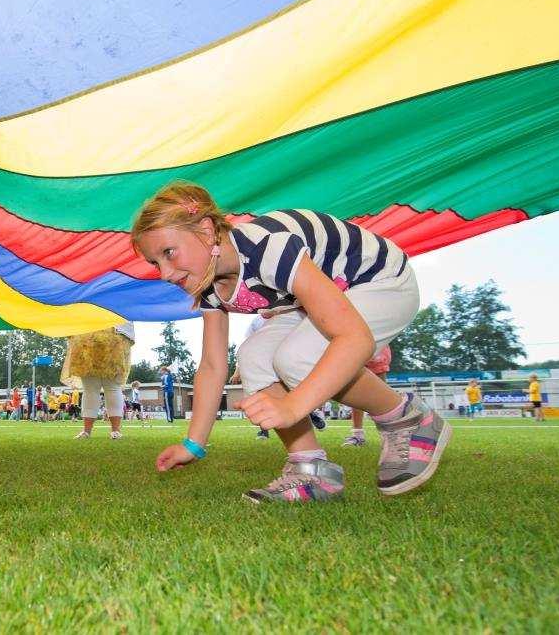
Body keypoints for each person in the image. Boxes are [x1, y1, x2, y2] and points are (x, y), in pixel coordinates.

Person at [132, 182, 450, 502]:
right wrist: (193, 445)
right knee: (254, 356)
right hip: (319, 301)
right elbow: (213, 365)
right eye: (155, 262)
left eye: (168, 253)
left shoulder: (267, 249)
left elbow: (353, 338)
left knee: (297, 357)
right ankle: (310, 470)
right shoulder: (209, 286)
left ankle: (408, 418)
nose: (164, 273)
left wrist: (292, 406)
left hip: (381, 283)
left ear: (206, 230)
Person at [232, 316, 328, 441]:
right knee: (260, 393)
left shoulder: (295, 314)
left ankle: (309, 413)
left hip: (287, 361)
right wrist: (237, 370)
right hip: (265, 364)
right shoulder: (257, 322)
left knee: (292, 393)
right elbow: (247, 343)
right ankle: (264, 431)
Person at [63, 321, 135, 440]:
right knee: (107, 387)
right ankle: (113, 431)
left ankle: (89, 431)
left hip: (89, 332)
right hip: (108, 332)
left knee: (95, 388)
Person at [343, 346, 392, 446]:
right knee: (356, 394)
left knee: (382, 396)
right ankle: (358, 435)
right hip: (354, 349)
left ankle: (391, 433)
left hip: (376, 350)